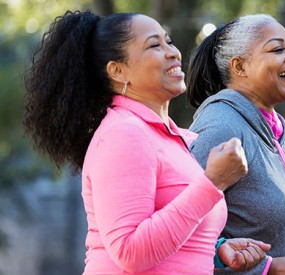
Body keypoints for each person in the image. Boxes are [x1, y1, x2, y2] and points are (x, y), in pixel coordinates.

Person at [23, 10, 271, 274]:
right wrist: (213, 182)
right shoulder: (123, 134)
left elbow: (167, 235)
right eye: (155, 45)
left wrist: (215, 249)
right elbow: (130, 252)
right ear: (118, 71)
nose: (173, 52)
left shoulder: (164, 136)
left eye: (169, 41)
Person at [186, 14, 285, 275]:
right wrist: (266, 268)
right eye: (277, 49)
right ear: (239, 67)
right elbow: (180, 234)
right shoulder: (221, 128)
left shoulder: (278, 132)